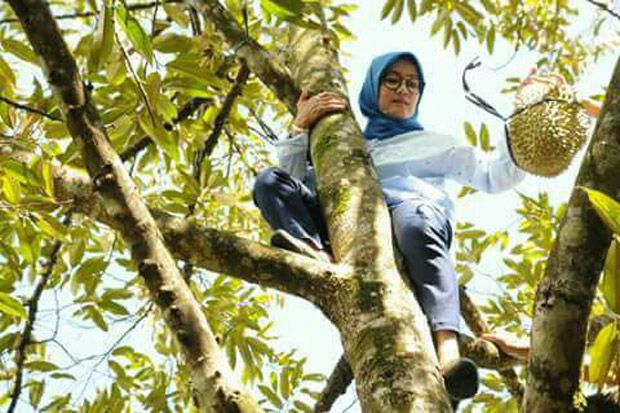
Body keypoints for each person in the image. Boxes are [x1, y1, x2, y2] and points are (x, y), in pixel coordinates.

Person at [253, 51, 528, 407]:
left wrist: (524, 114)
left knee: (414, 222)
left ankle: (448, 351)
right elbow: (288, 183)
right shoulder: (343, 144)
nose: (403, 89)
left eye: (413, 84)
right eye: (392, 80)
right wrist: (300, 126)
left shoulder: (436, 144)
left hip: (412, 215)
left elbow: (496, 176)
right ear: (373, 86)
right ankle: (315, 255)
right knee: (267, 183)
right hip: (346, 227)